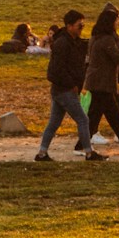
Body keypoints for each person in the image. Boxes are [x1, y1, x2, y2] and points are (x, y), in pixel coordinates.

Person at [36, 9, 100, 161]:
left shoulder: (70, 41)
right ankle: (89, 153)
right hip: (65, 90)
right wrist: (72, 84)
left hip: (60, 90)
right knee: (83, 120)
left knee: (54, 123)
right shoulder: (63, 43)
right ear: (70, 26)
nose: (82, 28)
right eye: (80, 26)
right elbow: (57, 69)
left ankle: (42, 153)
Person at [84, 3, 119, 153]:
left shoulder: (98, 37)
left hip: (98, 81)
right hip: (102, 82)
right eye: (117, 20)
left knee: (95, 115)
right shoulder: (106, 40)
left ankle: (81, 145)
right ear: (110, 22)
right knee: (113, 115)